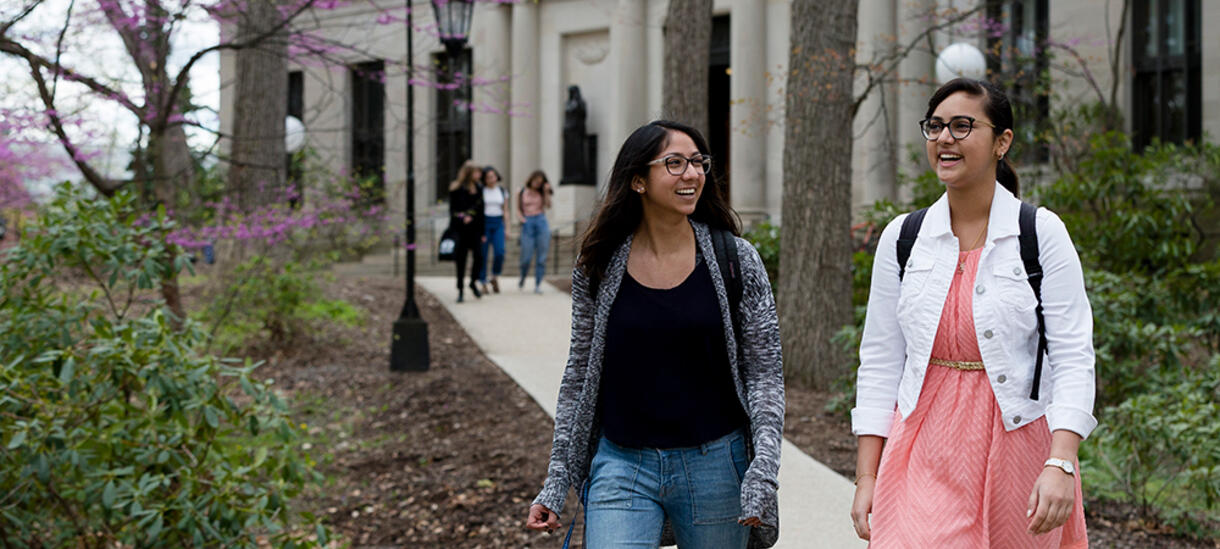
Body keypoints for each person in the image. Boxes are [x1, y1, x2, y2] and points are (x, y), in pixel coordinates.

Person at [850, 78, 1094, 548]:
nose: (945, 138)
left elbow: (1073, 356)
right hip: (923, 439)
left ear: (1003, 141)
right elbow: (880, 361)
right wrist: (866, 476)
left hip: (1019, 442)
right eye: (936, 126)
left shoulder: (1040, 233)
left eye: (963, 126)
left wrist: (1061, 463)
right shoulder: (903, 239)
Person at [525, 120, 784, 548]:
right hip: (621, 465)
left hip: (717, 467)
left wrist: (763, 469)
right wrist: (558, 479)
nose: (693, 174)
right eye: (675, 163)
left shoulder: (735, 258)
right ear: (638, 181)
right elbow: (579, 376)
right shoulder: (599, 264)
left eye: (699, 162)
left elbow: (765, 374)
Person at [448, 160, 486, 303]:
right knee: (461, 260)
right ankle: (460, 289)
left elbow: (482, 211)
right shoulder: (456, 189)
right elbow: (452, 211)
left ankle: (473, 282)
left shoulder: (480, 189)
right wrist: (462, 217)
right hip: (461, 230)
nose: (479, 175)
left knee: (479, 257)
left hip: (475, 229)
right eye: (477, 172)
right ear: (470, 173)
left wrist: (483, 232)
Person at [516, 170, 552, 294]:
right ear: (531, 179)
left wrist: (546, 192)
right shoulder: (521, 191)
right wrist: (521, 219)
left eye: (540, 182)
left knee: (541, 257)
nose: (537, 184)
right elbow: (518, 209)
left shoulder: (542, 192)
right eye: (536, 181)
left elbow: (548, 206)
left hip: (541, 222)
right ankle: (522, 276)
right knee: (526, 257)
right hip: (528, 223)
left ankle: (538, 284)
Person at [477, 165, 509, 294]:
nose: (492, 179)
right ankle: (483, 281)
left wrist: (507, 228)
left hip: (498, 223)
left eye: (494, 176)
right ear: (484, 179)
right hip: (484, 223)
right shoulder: (481, 191)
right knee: (483, 254)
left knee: (500, 252)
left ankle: (495, 276)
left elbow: (505, 210)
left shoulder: (502, 191)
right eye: (489, 177)